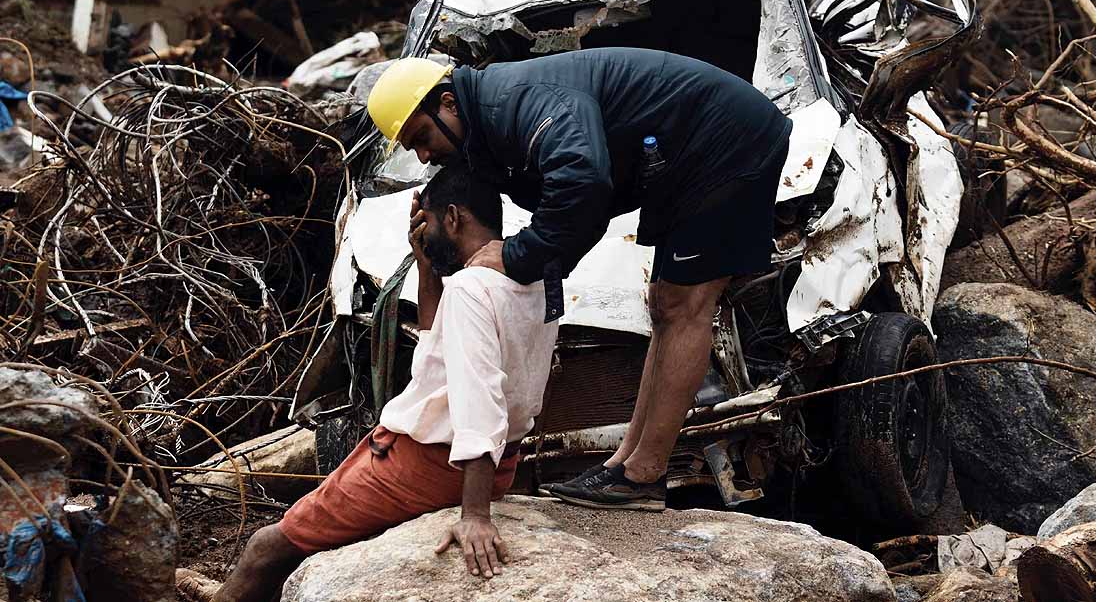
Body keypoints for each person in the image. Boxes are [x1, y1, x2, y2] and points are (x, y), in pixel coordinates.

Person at [366, 47, 792, 511]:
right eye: (412, 149)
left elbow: (583, 181)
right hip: (679, 158)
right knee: (664, 304)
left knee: (686, 305)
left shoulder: (515, 103)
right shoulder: (486, 128)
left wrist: (519, 254)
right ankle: (624, 464)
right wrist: (436, 245)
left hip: (725, 140)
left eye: (422, 136)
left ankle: (644, 475)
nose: (425, 154)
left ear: (448, 102)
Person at [177, 166, 559, 601]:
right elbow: (439, 351)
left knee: (266, 547)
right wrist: (426, 267)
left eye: (429, 223)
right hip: (497, 465)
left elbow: (479, 400)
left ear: (453, 218)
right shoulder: (537, 279)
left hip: (429, 465)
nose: (424, 234)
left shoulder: (470, 288)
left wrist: (474, 514)